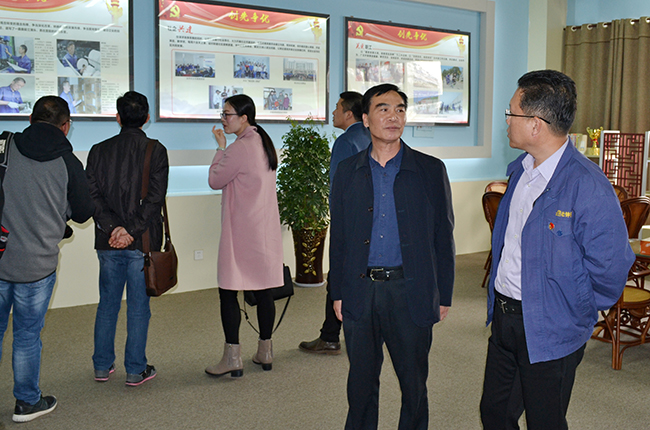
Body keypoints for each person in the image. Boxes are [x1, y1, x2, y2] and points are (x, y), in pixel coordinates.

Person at [480, 70, 635, 430]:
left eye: (511, 113)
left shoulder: (587, 185)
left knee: (545, 421)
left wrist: (575, 310)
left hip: (552, 326)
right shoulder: (521, 172)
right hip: (505, 318)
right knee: (495, 413)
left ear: (535, 124)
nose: (506, 121)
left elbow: (611, 266)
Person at [329, 83, 455, 430]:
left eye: (399, 109)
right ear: (365, 119)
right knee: (360, 385)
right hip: (361, 289)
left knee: (414, 386)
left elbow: (443, 236)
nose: (393, 116)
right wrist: (337, 291)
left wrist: (443, 294)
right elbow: (339, 237)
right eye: (383, 109)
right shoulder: (348, 170)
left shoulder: (430, 169)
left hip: (409, 291)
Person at [0, 95, 94, 422]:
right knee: (27, 335)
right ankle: (26, 403)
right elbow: (83, 212)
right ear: (65, 127)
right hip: (37, 265)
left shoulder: (4, 145)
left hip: (0, 257)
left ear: (29, 119)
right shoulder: (69, 163)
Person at [86, 91, 169, 387]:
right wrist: (130, 231)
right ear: (147, 118)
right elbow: (155, 201)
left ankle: (101, 366)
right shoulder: (156, 150)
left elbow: (92, 196)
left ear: (118, 117)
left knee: (107, 304)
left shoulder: (97, 150)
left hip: (107, 242)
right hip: (141, 243)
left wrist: (113, 230)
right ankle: (135, 369)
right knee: (138, 308)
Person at [206, 94, 283, 377]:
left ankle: (232, 358)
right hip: (264, 231)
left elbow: (215, 180)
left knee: (228, 292)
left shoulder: (239, 148)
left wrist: (220, 149)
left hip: (240, 232)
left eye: (227, 114)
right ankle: (265, 351)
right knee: (264, 291)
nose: (223, 120)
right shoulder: (263, 142)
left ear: (244, 117)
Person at [299, 91, 370, 355]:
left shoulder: (345, 142)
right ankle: (340, 333)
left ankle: (330, 336)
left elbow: (337, 188)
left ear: (349, 113)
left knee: (339, 276)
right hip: (371, 221)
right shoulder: (370, 137)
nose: (333, 112)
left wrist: (338, 223)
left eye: (337, 107)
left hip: (349, 222)